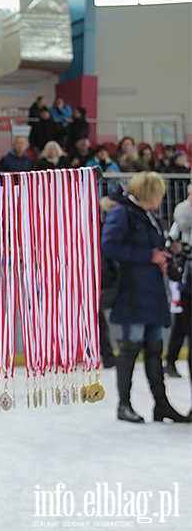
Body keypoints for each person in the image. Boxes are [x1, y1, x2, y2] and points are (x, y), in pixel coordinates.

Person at [101, 172, 190, 424]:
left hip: (151, 291)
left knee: (154, 349)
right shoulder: (122, 213)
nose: (162, 198)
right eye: (159, 193)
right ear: (148, 193)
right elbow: (109, 246)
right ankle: (123, 405)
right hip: (133, 293)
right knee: (129, 349)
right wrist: (148, 255)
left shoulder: (148, 215)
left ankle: (161, 405)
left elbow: (149, 246)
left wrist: (165, 253)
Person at [164, 183, 191, 380]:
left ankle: (171, 360)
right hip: (185, 276)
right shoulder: (182, 216)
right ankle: (171, 360)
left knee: (182, 322)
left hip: (185, 276)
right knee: (182, 321)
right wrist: (180, 251)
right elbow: (171, 242)